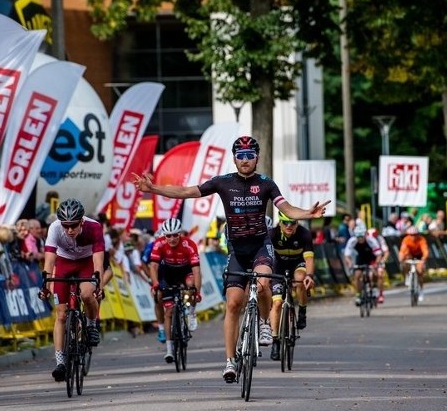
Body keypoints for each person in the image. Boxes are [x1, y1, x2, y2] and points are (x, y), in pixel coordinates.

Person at [131, 135, 330, 383]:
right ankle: (229, 361)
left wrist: (307, 214)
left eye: (249, 155)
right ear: (234, 158)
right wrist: (154, 189)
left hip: (260, 246)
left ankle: (266, 324)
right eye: (240, 155)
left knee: (264, 282)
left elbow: (286, 209)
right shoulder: (223, 183)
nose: (245, 160)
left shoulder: (266, 184)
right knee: (233, 304)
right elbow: (186, 191)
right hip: (237, 250)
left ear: (256, 157)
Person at [38, 199, 112, 382]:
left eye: (73, 225)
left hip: (86, 262)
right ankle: (60, 362)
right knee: (61, 315)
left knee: (87, 294)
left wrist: (99, 287)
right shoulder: (54, 228)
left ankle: (91, 324)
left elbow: (98, 262)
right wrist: (45, 286)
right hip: (64, 263)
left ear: (81, 221)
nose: (69, 230)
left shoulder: (94, 227)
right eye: (66, 226)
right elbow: (49, 261)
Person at [149, 218, 202, 364]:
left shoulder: (189, 244)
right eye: (168, 236)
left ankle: (191, 312)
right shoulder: (158, 244)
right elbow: (153, 267)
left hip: (185, 271)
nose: (172, 239)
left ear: (180, 234)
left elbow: (197, 271)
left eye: (175, 235)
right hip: (168, 273)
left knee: (191, 284)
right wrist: (155, 284)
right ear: (164, 236)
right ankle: (169, 349)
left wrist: (197, 292)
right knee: (169, 312)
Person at [268, 211, 316, 361]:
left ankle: (302, 310)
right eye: (285, 223)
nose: (289, 226)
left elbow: (308, 259)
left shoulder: (304, 234)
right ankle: (275, 341)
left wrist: (309, 276)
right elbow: (265, 257)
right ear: (280, 223)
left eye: (293, 223)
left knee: (300, 279)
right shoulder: (272, 234)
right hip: (278, 267)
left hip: (298, 263)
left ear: (298, 223)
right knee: (276, 303)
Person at [344, 227, 385, 306]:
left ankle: (374, 289)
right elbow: (346, 255)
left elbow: (379, 254)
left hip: (371, 258)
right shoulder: (352, 241)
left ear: (365, 235)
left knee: (374, 274)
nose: (360, 239)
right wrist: (350, 263)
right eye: (358, 237)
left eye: (362, 237)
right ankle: (358, 295)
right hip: (360, 258)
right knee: (357, 276)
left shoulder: (371, 240)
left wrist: (376, 264)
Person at [398, 226, 429, 302]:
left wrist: (423, 259)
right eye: (411, 235)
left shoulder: (422, 239)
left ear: (418, 234)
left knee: (420, 271)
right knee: (404, 264)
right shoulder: (406, 239)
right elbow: (402, 251)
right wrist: (401, 259)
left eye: (415, 235)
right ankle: (407, 276)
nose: (413, 237)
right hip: (410, 255)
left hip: (419, 256)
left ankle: (421, 290)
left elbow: (425, 251)